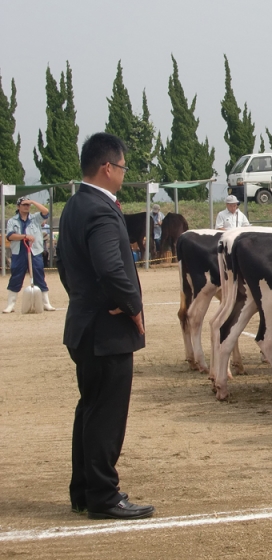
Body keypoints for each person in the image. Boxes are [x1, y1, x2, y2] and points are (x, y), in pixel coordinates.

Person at [57, 132, 154, 519]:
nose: (122, 174)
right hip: (105, 332)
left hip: (84, 324)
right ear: (108, 167)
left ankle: (83, 489)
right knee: (106, 415)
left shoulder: (74, 206)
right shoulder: (99, 209)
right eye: (123, 167)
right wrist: (131, 306)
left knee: (90, 409)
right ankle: (103, 494)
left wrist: (86, 298)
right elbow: (111, 267)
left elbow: (66, 266)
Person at [4, 196, 56, 312]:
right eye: (24, 205)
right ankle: (11, 304)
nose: (27, 207)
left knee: (39, 275)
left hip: (35, 251)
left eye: (28, 205)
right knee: (16, 276)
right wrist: (25, 236)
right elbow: (11, 236)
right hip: (19, 252)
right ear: (18, 207)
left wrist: (33, 201)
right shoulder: (12, 221)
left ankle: (46, 303)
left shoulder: (35, 218)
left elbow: (45, 212)